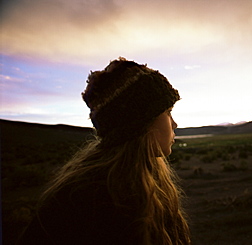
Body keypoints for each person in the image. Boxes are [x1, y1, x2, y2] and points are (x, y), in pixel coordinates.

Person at [17, 57, 191, 245]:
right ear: (141, 122)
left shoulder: (146, 180)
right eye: (167, 112)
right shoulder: (88, 201)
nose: (174, 123)